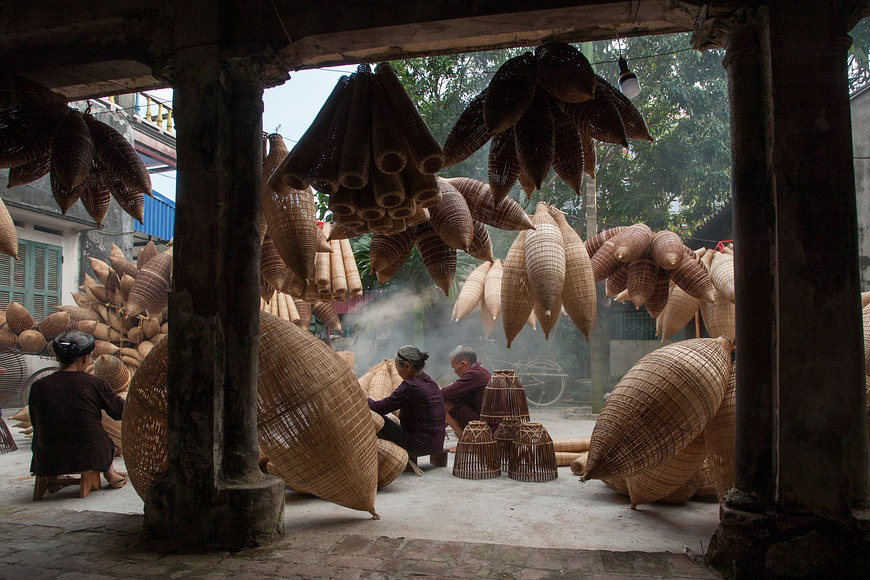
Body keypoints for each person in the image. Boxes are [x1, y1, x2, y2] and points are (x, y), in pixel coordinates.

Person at [29, 331, 127, 488]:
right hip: (89, 456)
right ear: (85, 358)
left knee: (44, 434)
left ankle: (52, 477)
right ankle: (111, 474)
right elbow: (119, 411)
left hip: (47, 458)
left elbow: (36, 422)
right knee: (105, 441)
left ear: (58, 357)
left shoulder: (38, 386)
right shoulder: (94, 383)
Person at [368, 345, 446, 459]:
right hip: (436, 444)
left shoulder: (410, 386)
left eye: (396, 367)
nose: (397, 371)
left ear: (407, 366)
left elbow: (378, 408)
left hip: (417, 444)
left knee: (376, 418)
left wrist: (366, 398)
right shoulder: (430, 381)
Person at [442, 345, 491, 442]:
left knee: (445, 404)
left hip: (482, 424)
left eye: (454, 367)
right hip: (485, 420)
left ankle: (465, 442)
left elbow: (445, 394)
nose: (454, 372)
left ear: (463, 364)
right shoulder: (481, 372)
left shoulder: (474, 375)